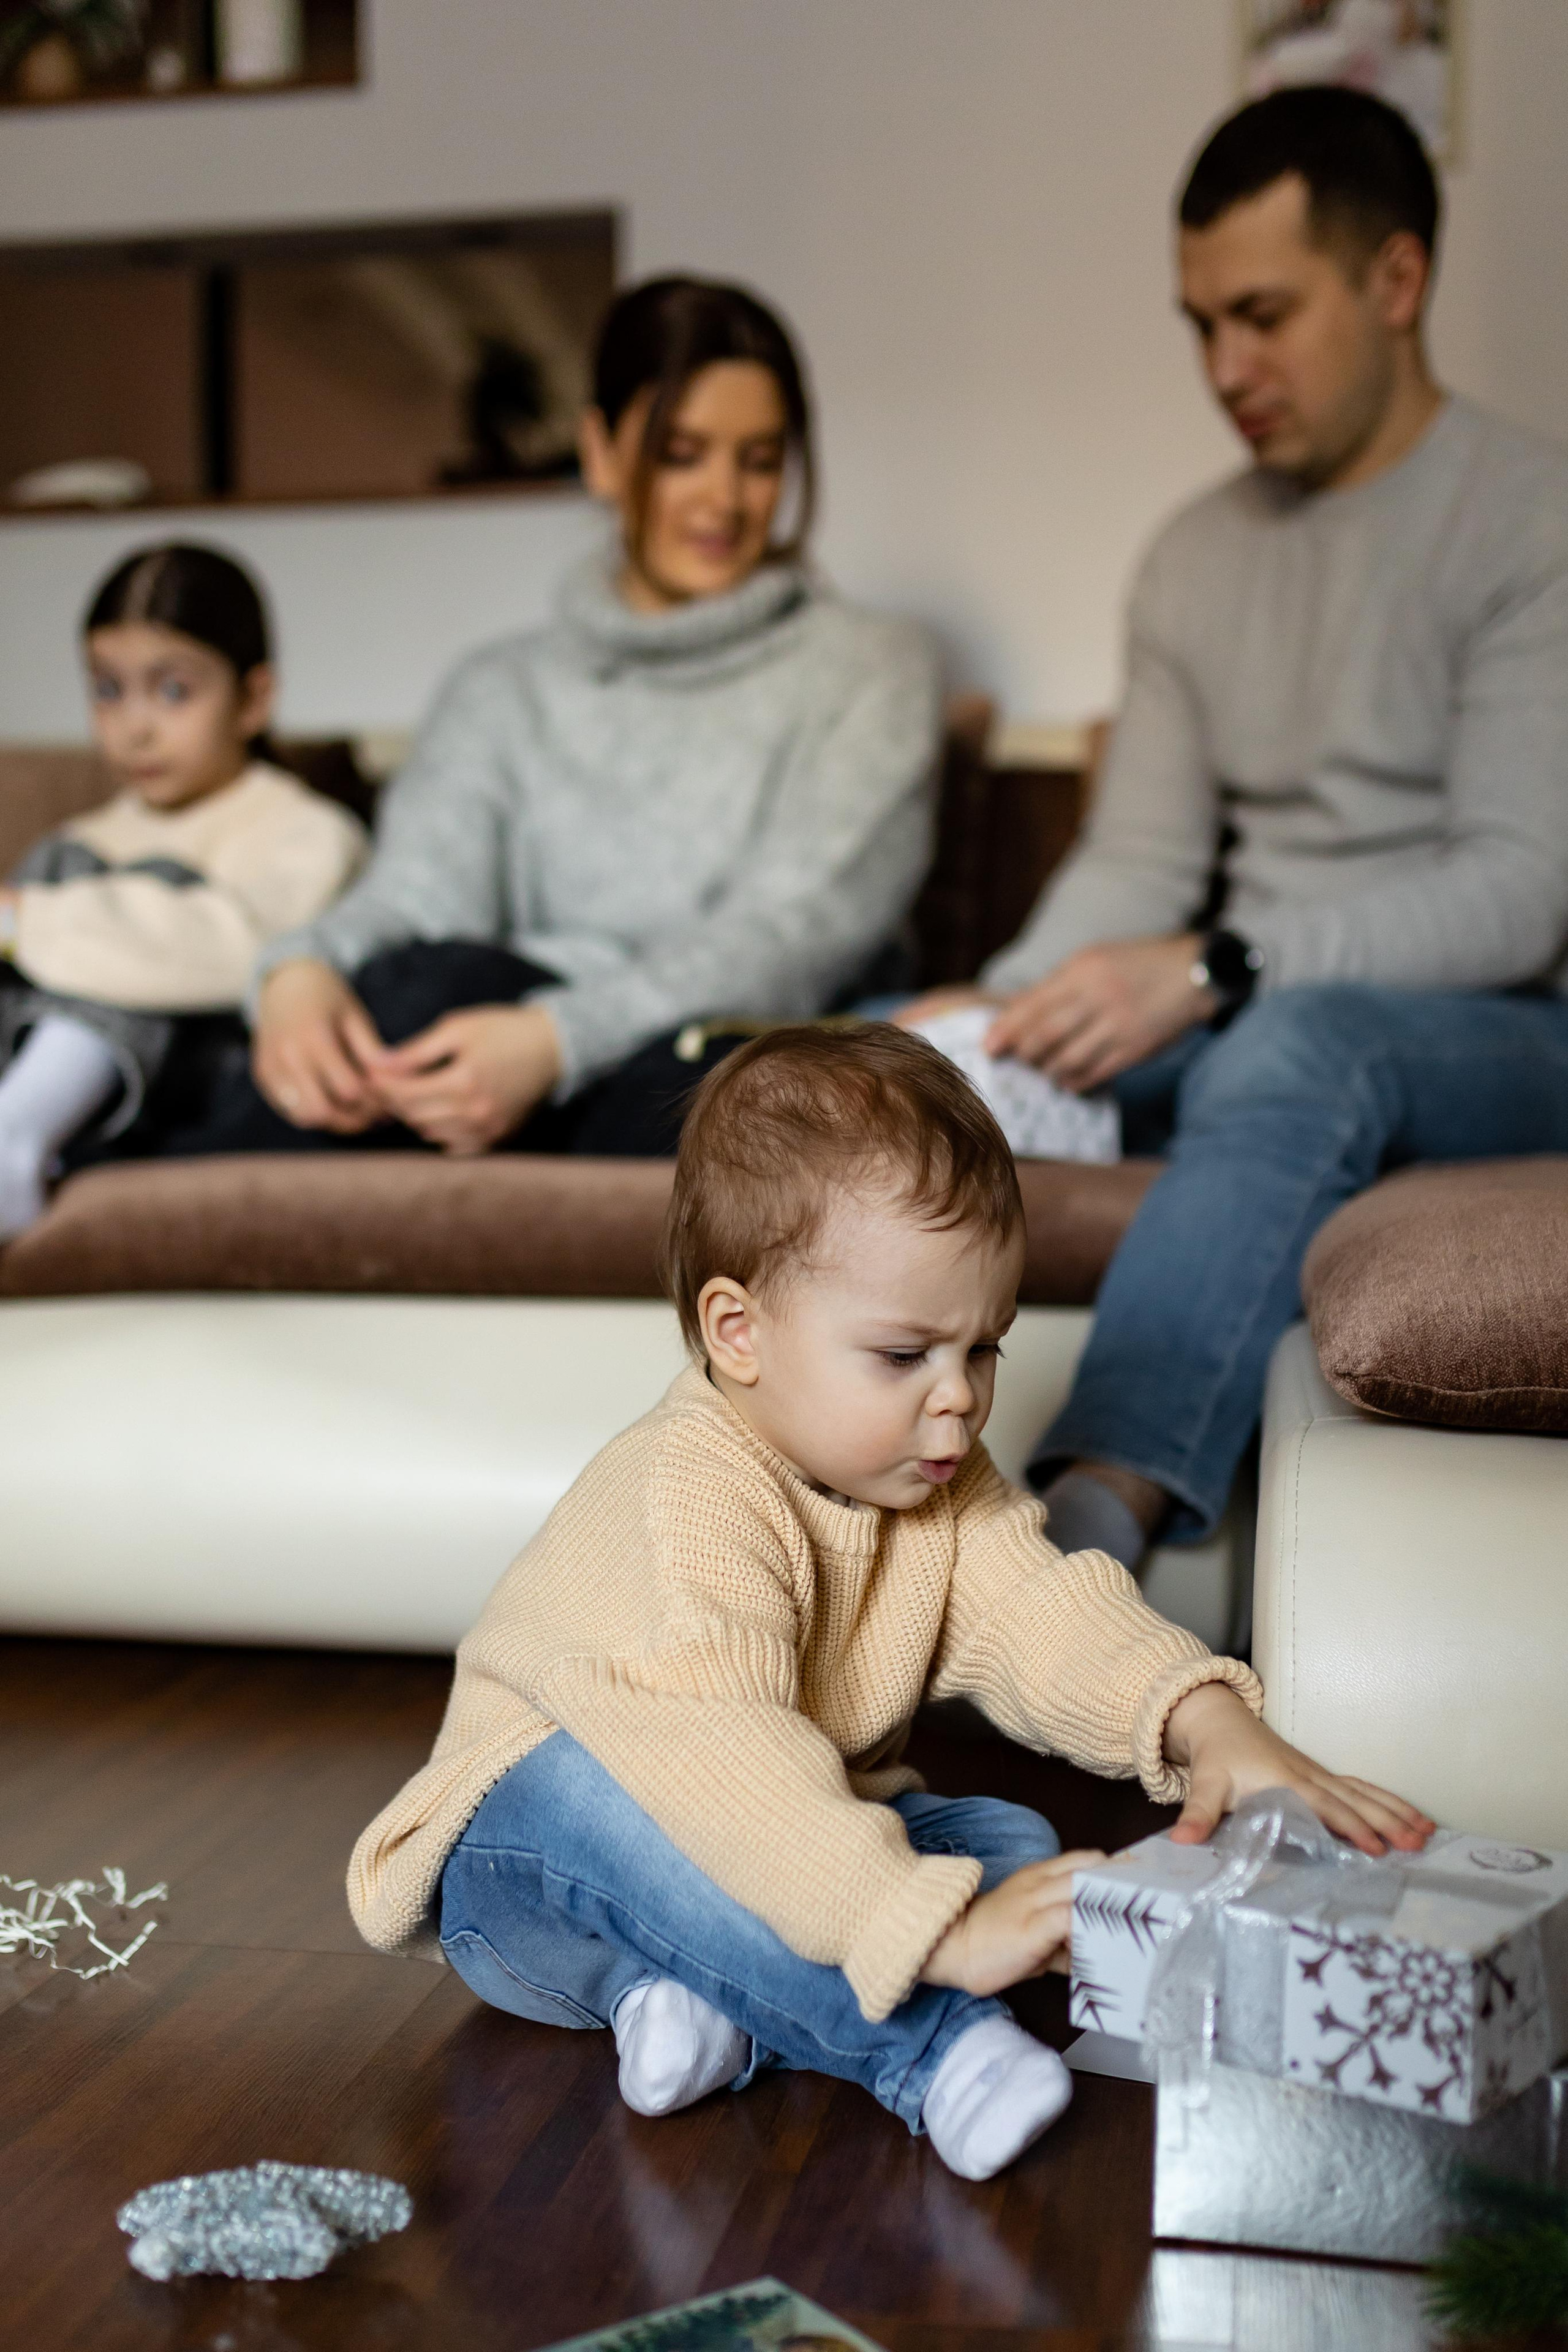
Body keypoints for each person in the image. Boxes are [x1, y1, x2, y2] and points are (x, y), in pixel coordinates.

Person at [347, 1025, 1430, 2181]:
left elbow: (1041, 1612)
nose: (958, 1401)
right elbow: (727, 1761)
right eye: (905, 1355)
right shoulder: (693, 1490)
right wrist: (944, 1936)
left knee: (1008, 1844)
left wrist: (1207, 1722)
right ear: (739, 1333)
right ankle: (930, 2055)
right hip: (534, 1871)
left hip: (768, 1823)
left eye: (985, 1349)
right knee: (655, 1813)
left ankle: (711, 2003)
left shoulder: (934, 1480)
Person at [900, 86, 1568, 1569]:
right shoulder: (1192, 556)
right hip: (1249, 1004)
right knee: (888, 1056)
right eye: (1198, 323)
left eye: (1260, 315)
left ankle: (1080, 1542)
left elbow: (1517, 892)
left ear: (1394, 281)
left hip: (1495, 1027)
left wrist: (1213, 965)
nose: (1224, 367)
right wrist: (997, 1003)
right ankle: (776, 1540)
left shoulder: (1531, 523)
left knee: (1292, 1044)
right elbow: (1134, 856)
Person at [206, 275, 940, 1161]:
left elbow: (797, 933)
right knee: (409, 988)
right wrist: (300, 968)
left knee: (741, 1098)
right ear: (599, 452)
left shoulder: (871, 667)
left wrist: (559, 1042)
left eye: (760, 459)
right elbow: (423, 897)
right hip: (494, 1051)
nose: (725, 500)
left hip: (728, 1056)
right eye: (682, 453)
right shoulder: (498, 688)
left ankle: (165, 1211)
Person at [0, 542, 366, 1238]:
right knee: (64, 863)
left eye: (174, 692)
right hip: (28, 1059)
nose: (136, 728)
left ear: (254, 698)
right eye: (108, 690)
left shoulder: (309, 831)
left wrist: (24, 922)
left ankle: (15, 1138)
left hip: (188, 1087)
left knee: (149, 894)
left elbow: (245, 953)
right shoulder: (79, 840)